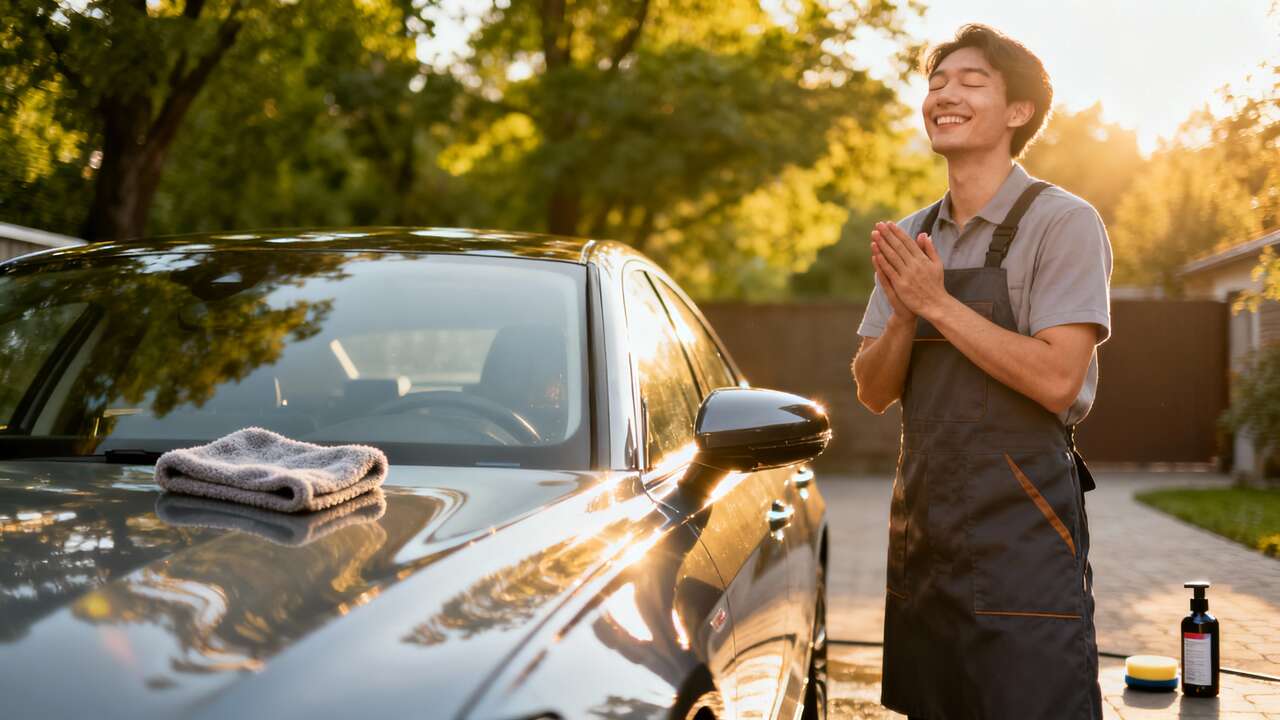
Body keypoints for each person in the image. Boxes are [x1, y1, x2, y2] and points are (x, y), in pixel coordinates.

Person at [850, 24, 1111, 719]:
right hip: (924, 537)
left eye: (970, 81)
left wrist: (935, 301)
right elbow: (873, 390)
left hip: (1022, 538)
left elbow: (1059, 379)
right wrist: (905, 316)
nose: (944, 94)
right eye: (936, 82)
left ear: (1018, 112)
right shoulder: (910, 237)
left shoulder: (1063, 224)